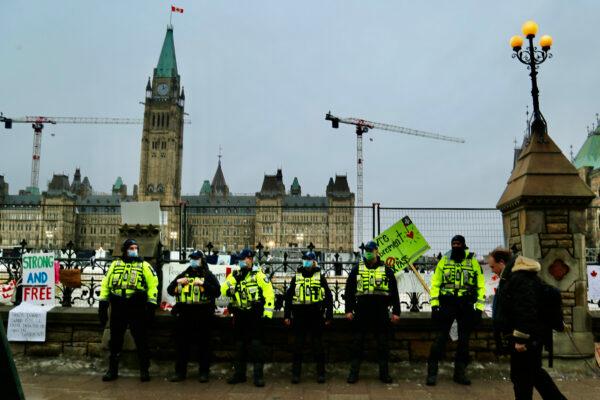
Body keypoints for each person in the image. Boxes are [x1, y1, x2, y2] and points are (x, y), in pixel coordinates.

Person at [488, 251, 567, 400]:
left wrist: (521, 339)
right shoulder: (513, 277)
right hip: (530, 335)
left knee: (522, 377)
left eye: (493, 266)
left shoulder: (519, 278)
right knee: (533, 374)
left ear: (502, 263)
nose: (492, 270)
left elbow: (526, 309)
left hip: (527, 338)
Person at [426, 235, 485, 386]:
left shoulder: (472, 261)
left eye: (458, 243)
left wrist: (479, 308)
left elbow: (480, 285)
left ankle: (460, 374)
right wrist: (434, 305)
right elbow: (435, 284)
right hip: (447, 304)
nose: (456, 246)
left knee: (464, 341)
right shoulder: (444, 260)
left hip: (465, 305)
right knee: (440, 339)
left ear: (464, 245)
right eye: (453, 243)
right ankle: (432, 373)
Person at [98, 239, 159, 382]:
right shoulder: (114, 265)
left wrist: (151, 305)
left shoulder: (144, 265)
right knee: (116, 340)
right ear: (125, 250)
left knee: (141, 339)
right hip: (118, 305)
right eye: (131, 248)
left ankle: (144, 369)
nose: (134, 250)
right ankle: (112, 370)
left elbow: (153, 285)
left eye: (136, 247)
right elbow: (106, 284)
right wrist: (103, 303)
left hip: (136, 305)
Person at [345, 240, 401, 384]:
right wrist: (348, 310)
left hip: (380, 312)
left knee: (383, 345)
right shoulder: (357, 269)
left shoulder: (386, 270)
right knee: (357, 344)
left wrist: (396, 312)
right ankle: (353, 374)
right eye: (367, 251)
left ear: (377, 251)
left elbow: (394, 292)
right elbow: (349, 290)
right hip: (362, 311)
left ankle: (384, 374)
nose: (368, 253)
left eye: (371, 250)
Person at [221, 248, 274, 387]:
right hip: (240, 314)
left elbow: (269, 293)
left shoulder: (259, 275)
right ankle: (239, 374)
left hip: (254, 315)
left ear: (250, 259)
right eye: (240, 259)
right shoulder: (235, 274)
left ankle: (258, 377)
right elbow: (223, 290)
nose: (241, 261)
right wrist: (234, 282)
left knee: (256, 346)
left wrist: (267, 314)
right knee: (239, 346)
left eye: (243, 259)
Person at [166, 250, 220, 383]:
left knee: (204, 345)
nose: (193, 261)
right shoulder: (184, 274)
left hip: (203, 313)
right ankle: (180, 372)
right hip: (185, 313)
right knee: (182, 344)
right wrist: (178, 282)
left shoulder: (208, 275)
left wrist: (203, 284)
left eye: (196, 259)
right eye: (192, 258)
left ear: (202, 260)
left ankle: (204, 372)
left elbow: (217, 292)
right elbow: (169, 290)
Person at [284, 251, 333, 384]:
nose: (306, 262)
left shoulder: (320, 277)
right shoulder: (297, 276)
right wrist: (287, 315)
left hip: (316, 315)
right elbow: (288, 297)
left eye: (309, 259)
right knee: (298, 346)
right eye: (305, 259)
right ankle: (296, 374)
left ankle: (321, 374)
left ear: (314, 261)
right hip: (300, 316)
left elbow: (328, 296)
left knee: (318, 346)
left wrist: (329, 314)